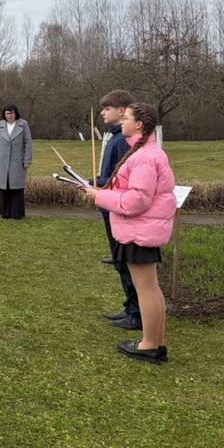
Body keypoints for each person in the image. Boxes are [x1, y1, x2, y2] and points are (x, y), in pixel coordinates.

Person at [81, 103, 176, 364]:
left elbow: (137, 201)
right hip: (143, 229)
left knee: (146, 289)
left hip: (140, 231)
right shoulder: (143, 151)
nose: (122, 121)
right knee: (151, 289)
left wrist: (101, 197)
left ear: (140, 125)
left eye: (127, 118)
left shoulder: (145, 156)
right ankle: (156, 342)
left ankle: (148, 345)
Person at [93, 90, 141, 330]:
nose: (102, 112)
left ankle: (136, 312)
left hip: (116, 206)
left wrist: (101, 183)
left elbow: (121, 179)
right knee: (120, 261)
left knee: (124, 261)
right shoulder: (113, 137)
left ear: (121, 111)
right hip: (108, 202)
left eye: (107, 108)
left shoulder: (122, 140)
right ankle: (130, 307)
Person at [0, 104, 33, 219]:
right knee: (4, 186)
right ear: (4, 114)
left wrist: (27, 160)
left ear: (16, 113)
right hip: (2, 161)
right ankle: (5, 212)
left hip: (17, 161)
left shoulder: (23, 124)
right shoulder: (0, 125)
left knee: (16, 187)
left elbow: (28, 143)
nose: (9, 116)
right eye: (7, 113)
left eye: (12, 113)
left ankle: (16, 213)